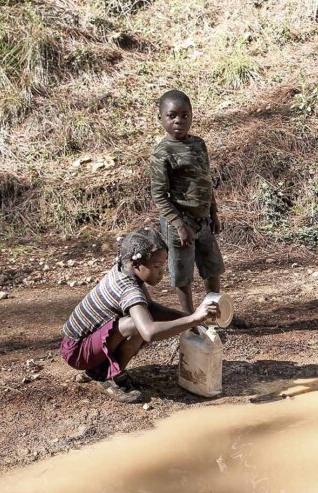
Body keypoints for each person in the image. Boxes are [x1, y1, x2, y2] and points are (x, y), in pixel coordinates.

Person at [60, 227, 219, 403]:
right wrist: (193, 319)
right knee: (137, 325)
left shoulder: (124, 269)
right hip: (77, 352)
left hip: (80, 343)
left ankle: (100, 367)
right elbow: (149, 332)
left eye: (164, 266)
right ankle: (106, 376)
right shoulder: (128, 289)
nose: (161, 273)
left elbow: (150, 307)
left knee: (141, 318)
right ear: (136, 265)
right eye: (157, 266)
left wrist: (186, 318)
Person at [149, 89, 224, 314]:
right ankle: (189, 319)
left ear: (191, 115)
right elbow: (159, 195)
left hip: (203, 220)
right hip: (180, 223)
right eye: (172, 115)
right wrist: (179, 225)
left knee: (212, 268)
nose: (178, 121)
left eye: (184, 115)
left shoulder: (198, 144)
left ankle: (215, 314)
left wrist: (213, 213)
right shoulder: (162, 153)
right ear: (161, 118)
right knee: (183, 274)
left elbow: (206, 181)